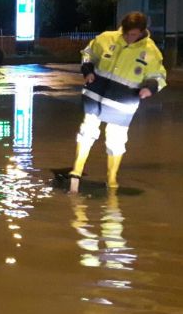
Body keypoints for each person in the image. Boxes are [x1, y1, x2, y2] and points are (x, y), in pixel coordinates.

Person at [69, 11, 167, 192]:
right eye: (126, 33)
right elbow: (88, 54)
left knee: (116, 140)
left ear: (143, 31)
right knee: (86, 132)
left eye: (134, 34)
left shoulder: (151, 51)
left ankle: (112, 178)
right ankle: (77, 170)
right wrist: (88, 70)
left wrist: (150, 87)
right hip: (95, 98)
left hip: (122, 105)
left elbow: (158, 76)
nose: (129, 38)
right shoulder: (106, 39)